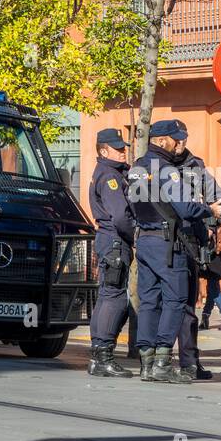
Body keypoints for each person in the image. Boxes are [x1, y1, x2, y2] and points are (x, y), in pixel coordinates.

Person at [126, 120, 218, 384]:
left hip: (144, 240)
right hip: (167, 243)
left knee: (149, 302)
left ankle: (147, 362)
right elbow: (186, 208)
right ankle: (163, 363)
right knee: (176, 300)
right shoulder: (166, 169)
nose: (182, 144)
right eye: (178, 139)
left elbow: (132, 207)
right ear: (162, 140)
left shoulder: (137, 168)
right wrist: (211, 210)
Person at [87, 128, 136, 379]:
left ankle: (98, 355)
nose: (123, 151)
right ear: (103, 150)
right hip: (115, 242)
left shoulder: (106, 173)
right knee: (114, 298)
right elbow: (120, 216)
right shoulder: (110, 176)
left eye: (123, 147)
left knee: (106, 295)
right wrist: (134, 235)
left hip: (108, 241)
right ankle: (103, 357)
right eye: (118, 148)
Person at [177, 142, 221, 378]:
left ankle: (188, 362)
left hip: (190, 245)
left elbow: (220, 200)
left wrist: (209, 212)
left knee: (186, 307)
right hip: (163, 244)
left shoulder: (196, 167)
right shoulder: (157, 168)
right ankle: (159, 360)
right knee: (161, 306)